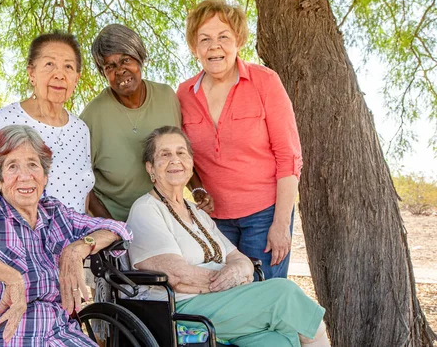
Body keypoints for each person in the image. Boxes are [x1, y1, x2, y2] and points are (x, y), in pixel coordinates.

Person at [0, 125, 131, 346]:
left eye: (33, 165)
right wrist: (12, 278)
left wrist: (79, 248)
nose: (25, 177)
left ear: (44, 176)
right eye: (12, 166)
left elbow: (117, 229)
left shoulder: (55, 213)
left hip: (57, 334)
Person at [126, 127, 329, 347]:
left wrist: (239, 271)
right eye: (165, 154)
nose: (175, 160)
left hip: (218, 301)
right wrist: (231, 280)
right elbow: (177, 276)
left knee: (279, 340)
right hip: (181, 308)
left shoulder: (197, 212)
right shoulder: (146, 209)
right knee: (284, 293)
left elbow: (238, 258)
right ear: (150, 168)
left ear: (191, 163)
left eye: (181, 153)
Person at [177, 0, 303, 279]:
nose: (214, 46)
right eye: (205, 39)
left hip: (264, 215)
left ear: (238, 41)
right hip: (214, 222)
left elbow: (289, 158)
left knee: (263, 299)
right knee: (226, 302)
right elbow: (183, 156)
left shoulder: (265, 82)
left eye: (223, 37)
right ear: (194, 48)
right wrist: (197, 191)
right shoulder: (184, 94)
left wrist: (281, 225)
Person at [80, 23, 194, 221]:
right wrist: (112, 227)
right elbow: (81, 182)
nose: (121, 70)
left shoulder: (167, 97)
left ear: (140, 57)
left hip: (169, 217)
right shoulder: (92, 116)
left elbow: (183, 153)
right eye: (110, 66)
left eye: (126, 60)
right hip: (119, 221)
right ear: (103, 73)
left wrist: (198, 189)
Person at [0, 32, 95, 214]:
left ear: (76, 79)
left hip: (76, 239)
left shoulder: (80, 129)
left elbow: (82, 195)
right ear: (32, 73)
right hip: (19, 240)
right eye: (49, 64)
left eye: (68, 67)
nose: (59, 75)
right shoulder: (6, 119)